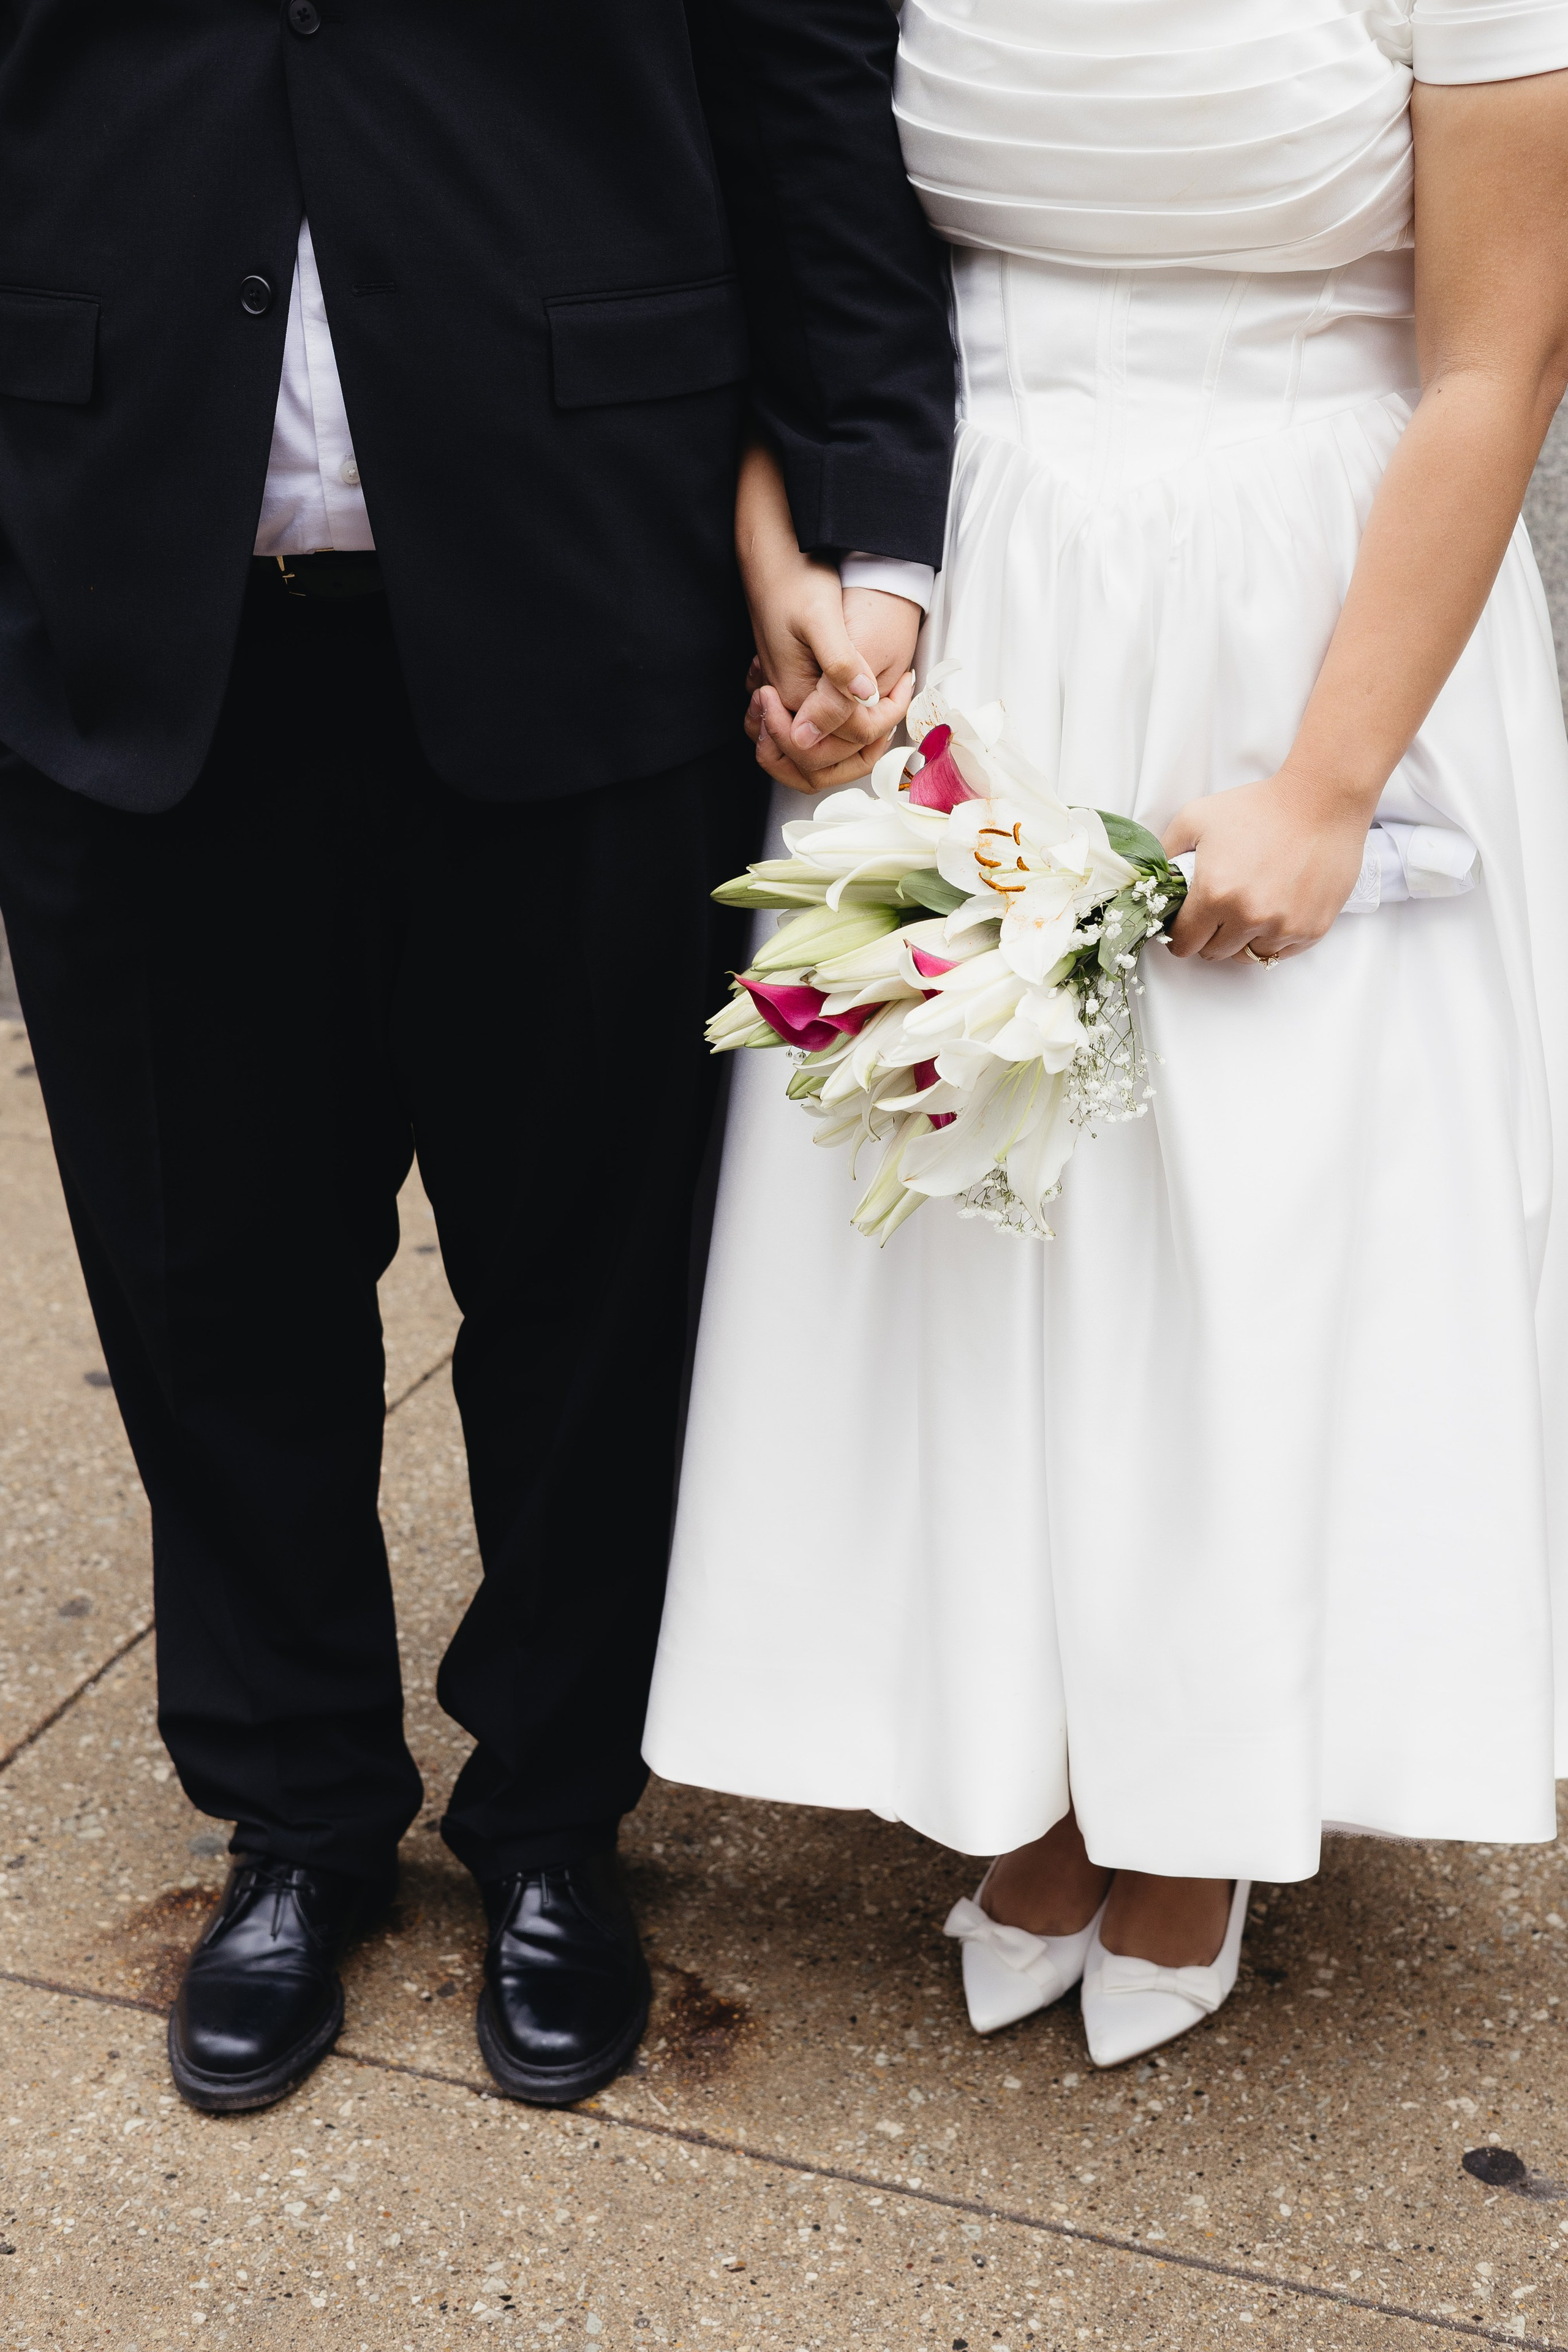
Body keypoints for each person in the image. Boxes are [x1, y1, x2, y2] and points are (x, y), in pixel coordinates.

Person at [0, 1, 954, 2111]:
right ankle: (297, 1814)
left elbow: (805, 110)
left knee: (591, 1280)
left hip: (584, 585)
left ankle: (553, 1819)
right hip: (127, 610)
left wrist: (876, 526)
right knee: (206, 1268)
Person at [647, 0, 1568, 2068]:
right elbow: (812, 247)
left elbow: (1499, 359)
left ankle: (1208, 1795)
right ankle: (1032, 1755)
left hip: (1309, 587)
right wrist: (801, 570)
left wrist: (1331, 782)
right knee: (988, 1203)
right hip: (990, 572)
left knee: (1262, 1219)